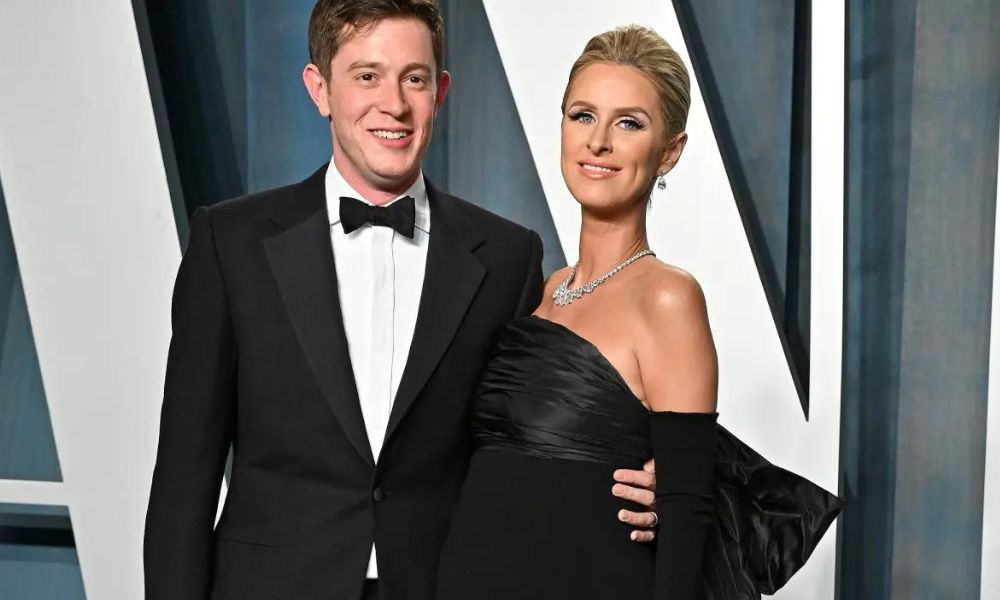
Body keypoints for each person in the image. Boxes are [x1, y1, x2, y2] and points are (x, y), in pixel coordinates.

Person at [142, 2, 659, 599]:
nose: (394, 104)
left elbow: (530, 441)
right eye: (367, 76)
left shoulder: (508, 257)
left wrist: (658, 477)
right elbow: (184, 475)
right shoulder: (230, 242)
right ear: (320, 89)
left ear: (440, 93)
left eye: (414, 78)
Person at [436, 25, 840, 600]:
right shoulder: (544, 288)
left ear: (670, 152)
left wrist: (668, 497)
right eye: (582, 115)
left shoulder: (668, 298)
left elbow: (686, 511)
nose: (598, 141)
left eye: (628, 123)